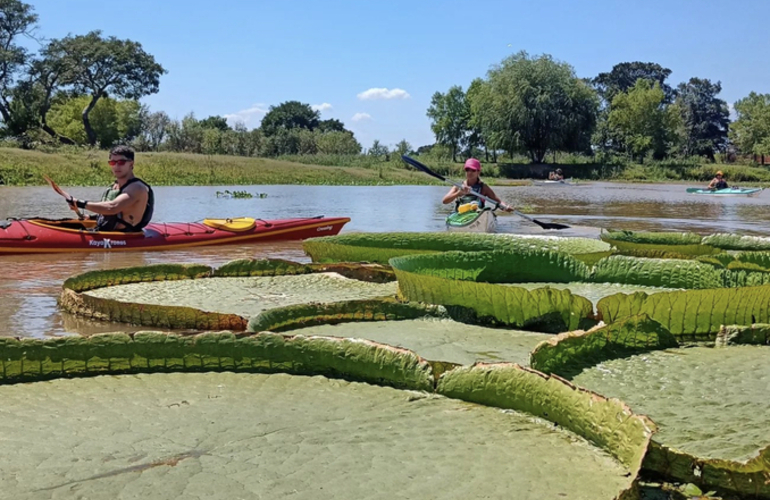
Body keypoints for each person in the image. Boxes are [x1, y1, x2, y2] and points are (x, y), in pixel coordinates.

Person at [62, 145, 154, 232]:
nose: (116, 166)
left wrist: (80, 203)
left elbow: (112, 207)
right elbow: (114, 214)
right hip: (107, 232)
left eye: (121, 162)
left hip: (125, 235)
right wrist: (90, 217)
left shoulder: (137, 188)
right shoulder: (114, 186)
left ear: (131, 164)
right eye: (113, 162)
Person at [442, 158, 514, 212]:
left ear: (478, 172)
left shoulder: (484, 187)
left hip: (477, 214)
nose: (469, 172)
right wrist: (458, 193)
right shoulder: (458, 186)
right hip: (461, 215)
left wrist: (505, 207)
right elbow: (445, 201)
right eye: (467, 170)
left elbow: (498, 202)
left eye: (473, 170)